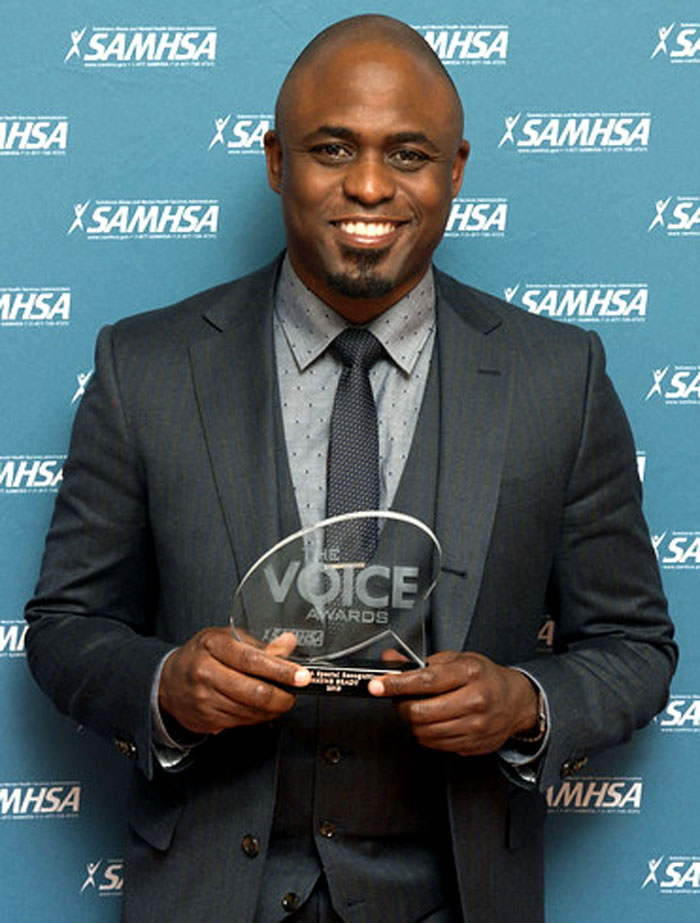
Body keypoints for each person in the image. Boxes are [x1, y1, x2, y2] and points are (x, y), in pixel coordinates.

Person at [25, 14, 676, 923]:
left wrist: (526, 703)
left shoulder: (558, 378)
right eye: (333, 148)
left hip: (455, 895)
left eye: (407, 155)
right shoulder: (147, 367)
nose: (369, 186)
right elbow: (64, 627)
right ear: (275, 161)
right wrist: (167, 686)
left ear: (454, 171)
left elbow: (635, 647)